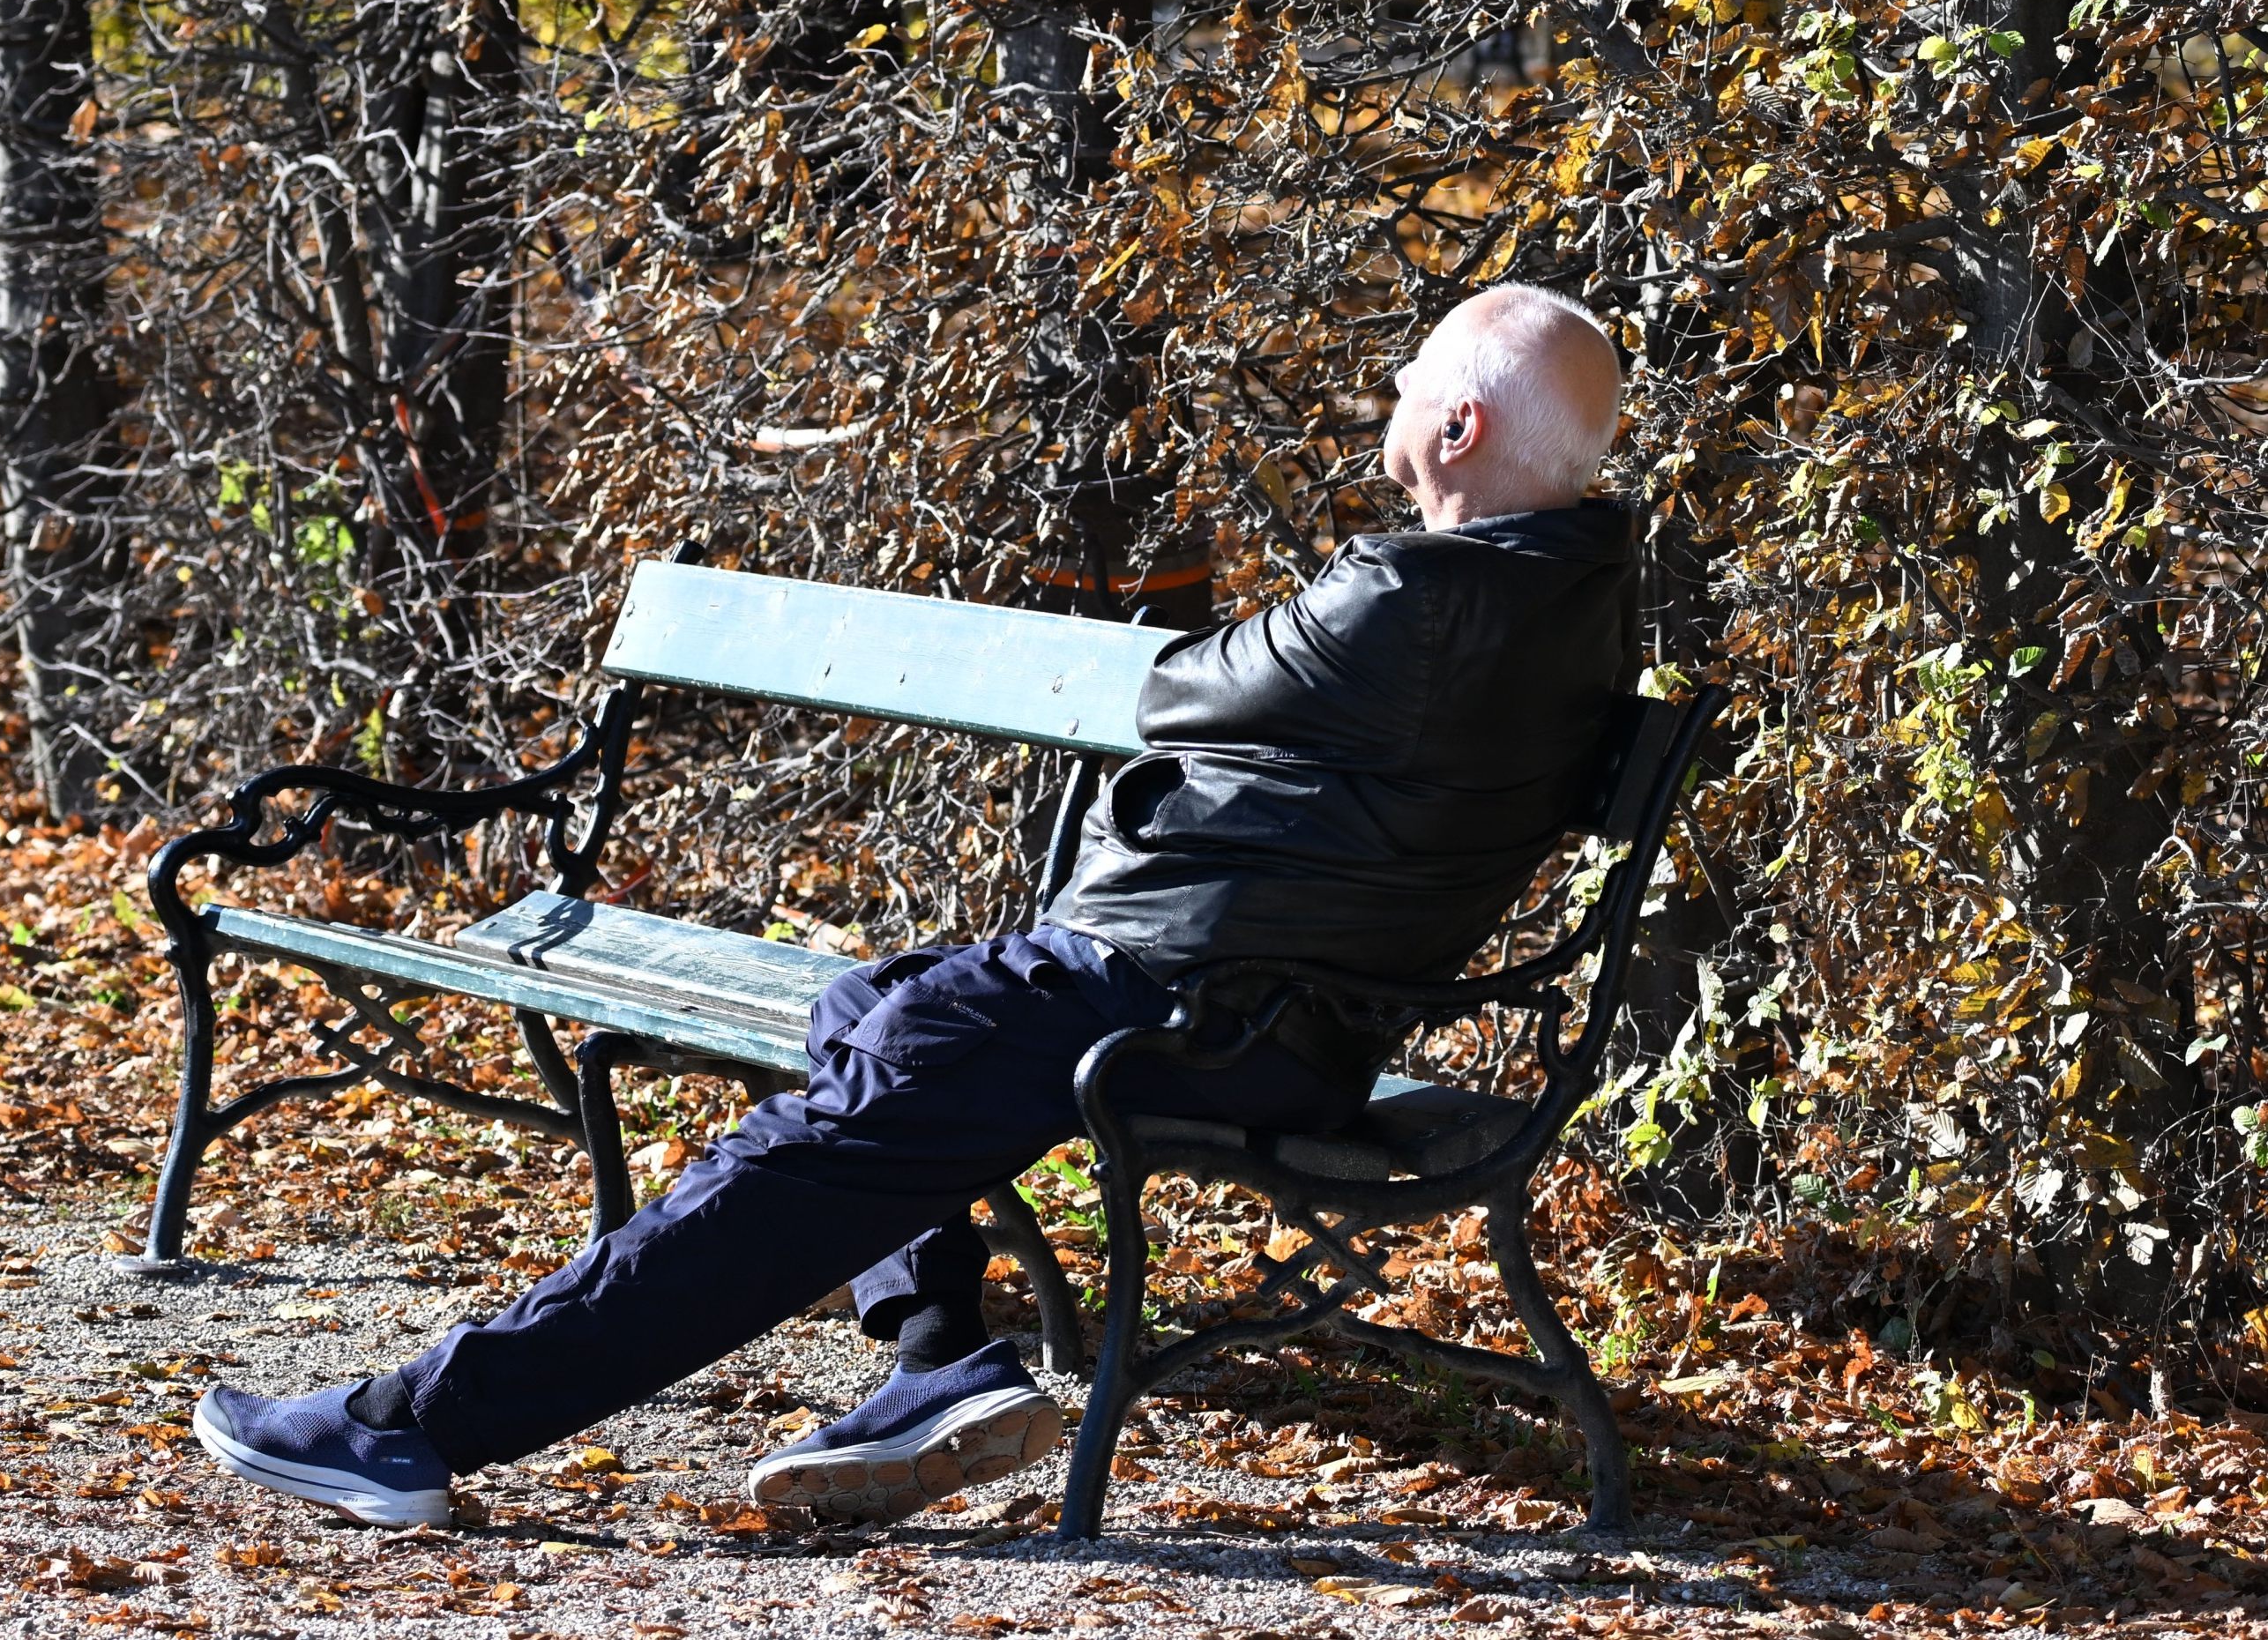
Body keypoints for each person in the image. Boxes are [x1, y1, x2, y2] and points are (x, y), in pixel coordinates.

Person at [190, 284, 1636, 1529]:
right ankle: (942, 1353)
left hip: (1172, 1003)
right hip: (1288, 1009)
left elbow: (1177, 687)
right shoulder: (1578, 596)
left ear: (1459, 430)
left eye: (1415, 378)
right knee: (864, 1002)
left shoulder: (1404, 591)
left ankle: (416, 1424)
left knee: (809, 1143)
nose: (1390, 391)